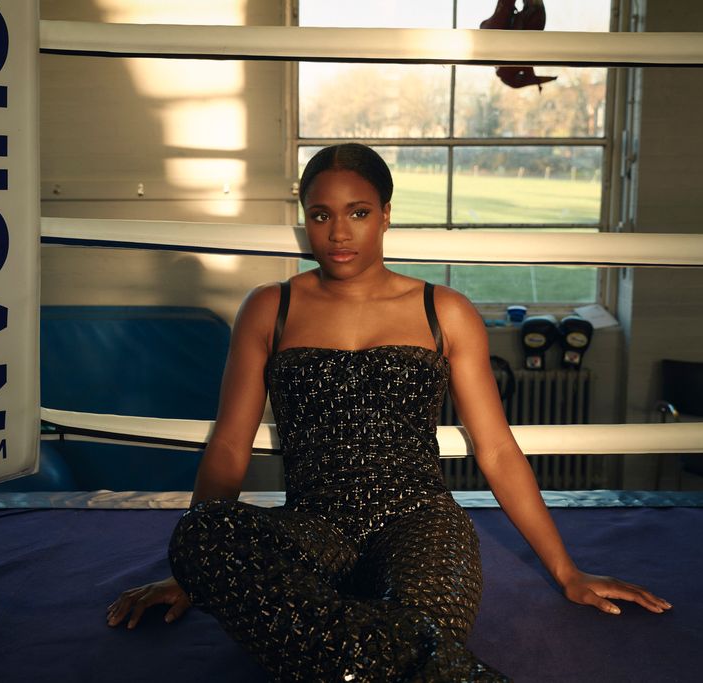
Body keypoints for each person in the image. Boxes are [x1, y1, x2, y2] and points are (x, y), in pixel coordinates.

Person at [107, 143, 670, 681]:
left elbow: (496, 449)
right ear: (306, 220)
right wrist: (194, 575)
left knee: (422, 625)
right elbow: (230, 446)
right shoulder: (269, 307)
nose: (340, 232)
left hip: (419, 523)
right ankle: (416, 667)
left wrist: (566, 571)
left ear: (385, 215)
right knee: (201, 535)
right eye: (321, 215)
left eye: (358, 212)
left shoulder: (442, 310)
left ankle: (359, 658)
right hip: (313, 526)